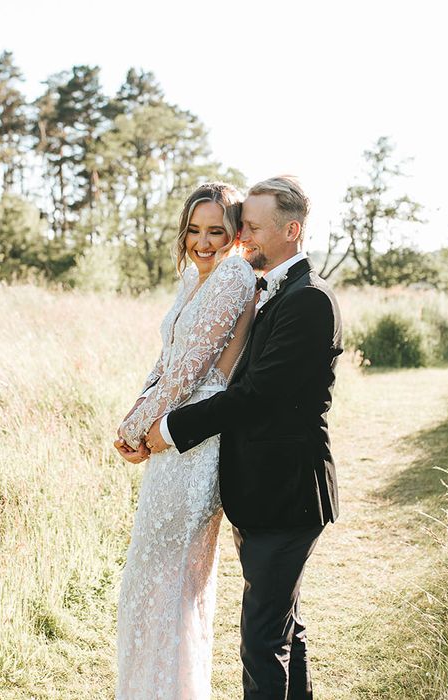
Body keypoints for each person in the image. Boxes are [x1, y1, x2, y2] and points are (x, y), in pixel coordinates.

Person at [145, 176, 343, 699]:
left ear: (291, 230)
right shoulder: (273, 291)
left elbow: (254, 396)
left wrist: (169, 429)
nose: (242, 237)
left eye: (251, 227)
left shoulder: (310, 301)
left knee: (261, 640)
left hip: (288, 494)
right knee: (283, 630)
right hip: (262, 493)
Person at [113, 182, 257, 699]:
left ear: (236, 233)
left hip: (195, 444)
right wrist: (133, 412)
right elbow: (166, 362)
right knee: (150, 577)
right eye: (194, 230)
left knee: (172, 583)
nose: (202, 241)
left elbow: (189, 375)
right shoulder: (194, 279)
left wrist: (139, 432)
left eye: (216, 230)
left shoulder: (234, 276)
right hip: (169, 435)